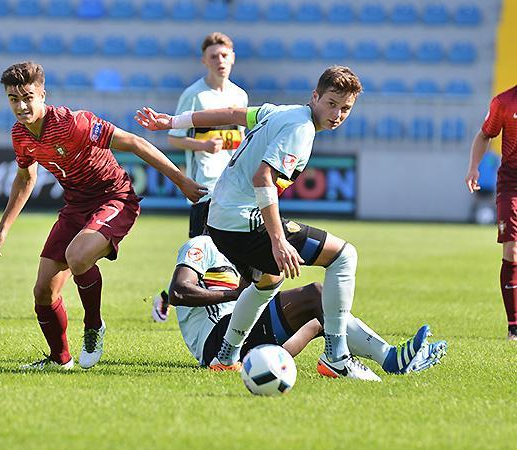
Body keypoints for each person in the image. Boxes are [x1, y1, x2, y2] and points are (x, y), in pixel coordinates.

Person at [136, 66, 378, 381]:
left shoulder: (280, 112)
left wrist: (172, 121)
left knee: (268, 280)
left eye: (345, 108)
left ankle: (227, 356)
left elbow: (231, 114)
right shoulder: (301, 129)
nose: (337, 114)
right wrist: (278, 240)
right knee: (344, 256)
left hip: (220, 219)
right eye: (332, 103)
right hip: (242, 220)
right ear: (315, 96)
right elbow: (263, 178)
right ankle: (337, 357)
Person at [0, 61, 206, 371]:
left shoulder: (74, 123)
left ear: (42, 95)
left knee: (77, 257)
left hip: (115, 198)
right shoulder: (20, 135)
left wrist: (181, 181)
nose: (21, 106)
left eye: (27, 97)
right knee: (43, 292)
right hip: (76, 207)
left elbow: (135, 143)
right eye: (13, 99)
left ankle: (93, 326)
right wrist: (3, 229)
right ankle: (59, 360)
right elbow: (25, 178)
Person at [168, 235, 447, 377]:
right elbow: (178, 292)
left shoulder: (239, 250)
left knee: (323, 319)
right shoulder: (202, 244)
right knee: (316, 294)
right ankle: (389, 359)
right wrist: (237, 295)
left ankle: (339, 361)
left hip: (246, 339)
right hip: (216, 342)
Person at [151, 32, 248, 323]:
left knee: (230, 249)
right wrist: (202, 145)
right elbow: (174, 137)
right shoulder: (195, 95)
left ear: (233, 58)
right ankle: (170, 296)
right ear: (204, 61)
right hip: (204, 186)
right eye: (214, 56)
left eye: (224, 55)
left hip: (232, 186)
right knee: (199, 250)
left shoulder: (240, 96)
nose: (220, 60)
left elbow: (241, 139)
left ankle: (220, 305)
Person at [465, 84, 517, 341]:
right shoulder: (504, 101)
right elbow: (485, 135)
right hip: (512, 184)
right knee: (512, 250)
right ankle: (514, 327)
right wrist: (474, 167)